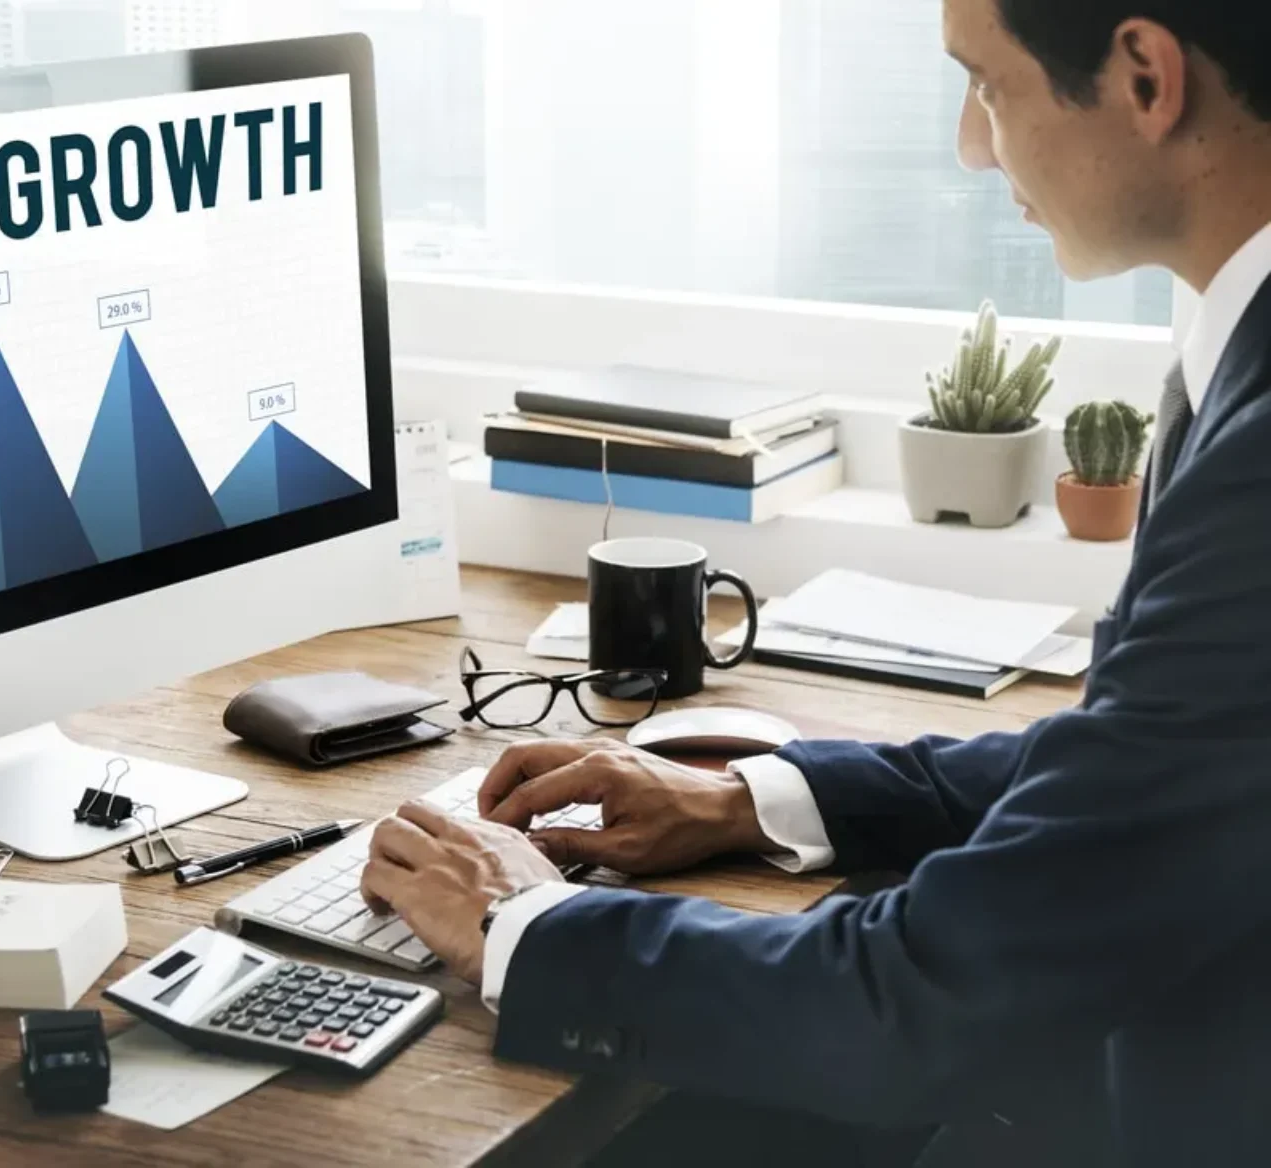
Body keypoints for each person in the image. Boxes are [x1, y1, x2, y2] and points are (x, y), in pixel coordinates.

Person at [358, 1, 1271, 1164]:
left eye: (985, 84)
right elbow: (1147, 760)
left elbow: (920, 1004)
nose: (969, 146)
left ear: (1145, 77)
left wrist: (521, 922)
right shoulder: (1234, 348)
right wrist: (757, 799)